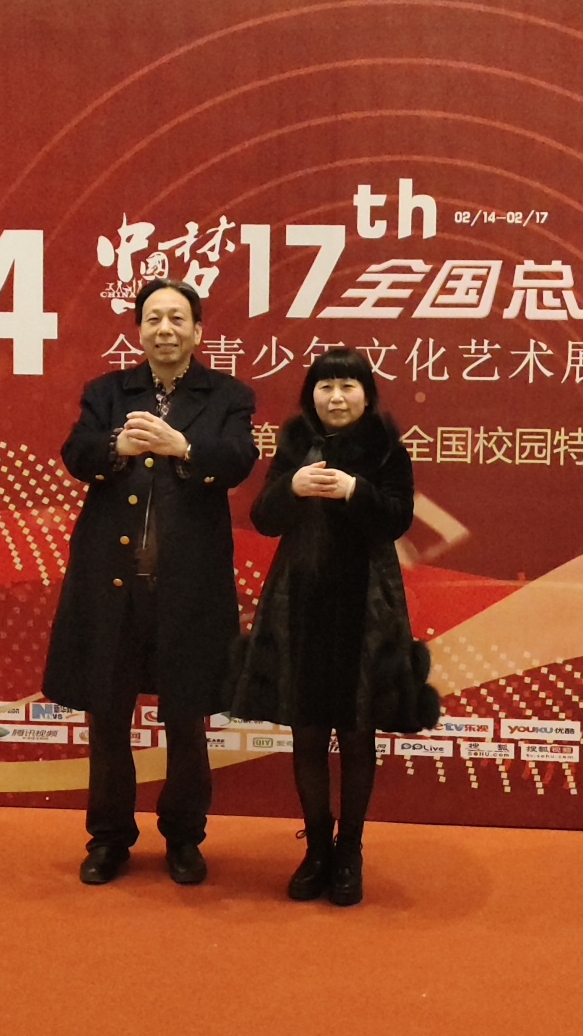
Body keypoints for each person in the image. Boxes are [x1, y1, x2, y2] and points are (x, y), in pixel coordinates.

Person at [42, 278, 259, 886]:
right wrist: (116, 444)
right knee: (108, 718)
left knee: (186, 719)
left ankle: (184, 838)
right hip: (112, 585)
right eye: (154, 318)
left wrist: (182, 446)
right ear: (139, 331)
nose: (165, 329)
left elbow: (238, 460)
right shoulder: (107, 392)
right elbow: (76, 453)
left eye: (177, 319)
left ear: (198, 331)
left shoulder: (229, 395)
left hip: (187, 590)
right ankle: (109, 838)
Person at [227, 347, 427, 907]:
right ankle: (316, 848)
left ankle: (349, 850)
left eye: (347, 387)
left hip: (366, 607)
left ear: (367, 394)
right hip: (301, 605)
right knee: (308, 731)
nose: (336, 398)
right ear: (310, 395)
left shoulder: (387, 448)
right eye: (325, 387)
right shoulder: (295, 446)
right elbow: (264, 520)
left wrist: (355, 491)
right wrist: (291, 488)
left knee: (359, 733)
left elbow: (398, 519)